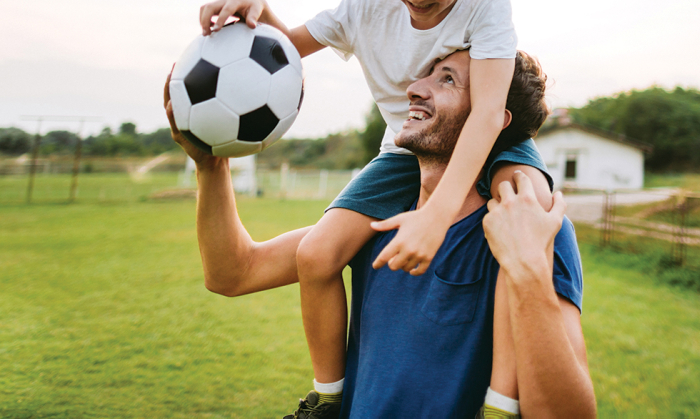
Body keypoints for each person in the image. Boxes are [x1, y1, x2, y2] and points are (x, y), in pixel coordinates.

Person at [196, 0, 553, 416]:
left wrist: (436, 219)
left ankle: (502, 403)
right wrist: (256, 11)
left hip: (494, 137)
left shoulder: (488, 7)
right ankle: (327, 398)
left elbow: (487, 113)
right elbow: (281, 56)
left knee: (522, 218)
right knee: (317, 254)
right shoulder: (365, 6)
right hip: (406, 151)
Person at [164, 49, 597, 418]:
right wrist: (210, 164)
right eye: (426, 72)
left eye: (447, 80)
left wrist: (528, 271)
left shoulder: (532, 232)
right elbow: (232, 273)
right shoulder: (373, 225)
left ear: (489, 119)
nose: (414, 88)